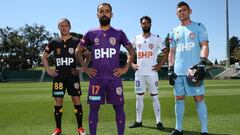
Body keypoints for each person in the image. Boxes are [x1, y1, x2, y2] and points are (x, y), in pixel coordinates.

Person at [75, 3, 135, 135]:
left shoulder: (119, 33)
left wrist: (125, 67)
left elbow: (131, 50)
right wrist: (85, 68)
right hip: (96, 79)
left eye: (107, 11)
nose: (104, 13)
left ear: (111, 14)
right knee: (94, 108)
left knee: (119, 108)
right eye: (101, 11)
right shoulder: (90, 33)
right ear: (97, 14)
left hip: (114, 78)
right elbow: (77, 51)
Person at [168, 1, 209, 135]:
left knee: (198, 98)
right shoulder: (174, 31)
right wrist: (170, 69)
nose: (182, 12)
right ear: (176, 14)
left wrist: (202, 62)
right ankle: (178, 128)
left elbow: (204, 45)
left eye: (184, 10)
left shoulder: (199, 27)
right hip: (178, 71)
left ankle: (204, 131)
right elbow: (172, 52)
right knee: (179, 98)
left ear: (189, 11)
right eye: (179, 11)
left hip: (194, 71)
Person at [41, 18, 87, 135]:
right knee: (58, 102)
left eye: (66, 25)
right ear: (58, 28)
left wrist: (83, 68)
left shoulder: (77, 41)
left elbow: (88, 54)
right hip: (59, 77)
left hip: (72, 77)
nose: (64, 27)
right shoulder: (54, 42)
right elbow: (44, 56)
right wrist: (48, 69)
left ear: (70, 27)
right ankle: (58, 129)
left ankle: (80, 128)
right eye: (61, 26)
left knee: (76, 101)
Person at [128, 16, 168, 130]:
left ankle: (159, 122)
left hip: (152, 73)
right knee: (138, 97)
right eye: (143, 23)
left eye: (147, 23)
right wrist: (131, 64)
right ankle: (139, 121)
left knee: (155, 97)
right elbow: (129, 52)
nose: (145, 25)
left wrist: (160, 65)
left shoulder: (157, 38)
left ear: (151, 24)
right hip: (139, 73)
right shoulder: (136, 38)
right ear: (141, 25)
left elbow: (166, 51)